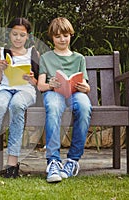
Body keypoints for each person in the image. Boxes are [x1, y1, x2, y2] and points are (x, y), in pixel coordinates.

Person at [0, 17, 39, 178]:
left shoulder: (33, 53)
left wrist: (31, 79)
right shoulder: (1, 52)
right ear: (9, 34)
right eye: (14, 34)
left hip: (25, 90)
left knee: (17, 105)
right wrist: (1, 69)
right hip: (5, 89)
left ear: (28, 36)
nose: (18, 38)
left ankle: (12, 162)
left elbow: (37, 82)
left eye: (22, 35)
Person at [37, 17, 92, 183]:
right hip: (55, 92)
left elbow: (86, 85)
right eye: (58, 36)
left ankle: (73, 161)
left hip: (75, 92)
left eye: (66, 35)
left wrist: (85, 88)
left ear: (71, 35)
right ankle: (53, 161)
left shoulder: (79, 58)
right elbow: (40, 85)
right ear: (52, 38)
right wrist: (50, 85)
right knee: (53, 107)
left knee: (84, 107)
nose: (62, 39)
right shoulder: (46, 58)